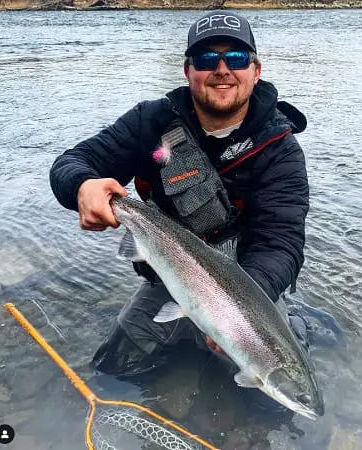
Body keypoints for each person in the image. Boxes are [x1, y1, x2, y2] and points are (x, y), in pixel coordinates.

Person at [50, 10, 311, 410]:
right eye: (207, 60)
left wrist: (231, 317)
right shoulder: (150, 123)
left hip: (252, 287)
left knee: (267, 405)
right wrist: (82, 186)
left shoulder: (279, 149)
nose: (222, 70)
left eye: (236, 59)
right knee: (113, 373)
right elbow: (71, 163)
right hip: (168, 275)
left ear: (256, 71)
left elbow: (283, 244)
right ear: (188, 71)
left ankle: (292, 323)